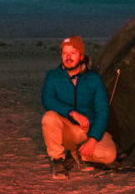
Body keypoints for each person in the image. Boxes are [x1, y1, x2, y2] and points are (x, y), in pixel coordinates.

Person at [41, 35, 117, 178]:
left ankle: (80, 155)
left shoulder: (93, 79)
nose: (68, 57)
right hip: (67, 130)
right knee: (49, 117)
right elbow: (48, 100)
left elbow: (103, 111)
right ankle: (57, 160)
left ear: (81, 56)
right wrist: (72, 112)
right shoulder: (53, 76)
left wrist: (93, 138)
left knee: (109, 155)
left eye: (73, 53)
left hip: (87, 131)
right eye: (65, 53)